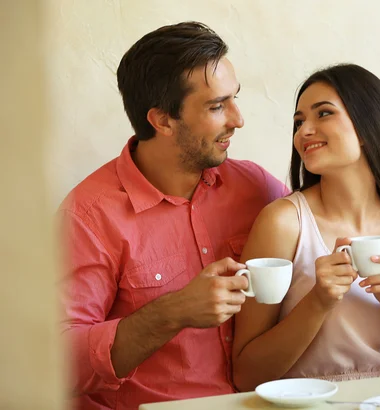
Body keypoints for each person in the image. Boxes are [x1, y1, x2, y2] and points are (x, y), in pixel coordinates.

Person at [58, 22, 288, 410]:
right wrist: (173, 312)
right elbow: (56, 363)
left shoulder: (256, 187)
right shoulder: (86, 216)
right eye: (217, 106)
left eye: (234, 99)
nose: (238, 119)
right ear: (162, 120)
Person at [232, 64, 380, 391]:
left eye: (323, 114)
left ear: (369, 129)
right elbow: (247, 376)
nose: (304, 131)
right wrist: (319, 301)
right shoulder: (282, 223)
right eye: (298, 122)